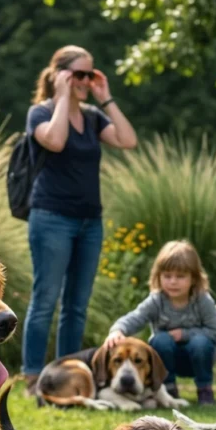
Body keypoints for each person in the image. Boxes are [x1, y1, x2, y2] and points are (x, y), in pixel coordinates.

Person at [22, 45, 138, 394]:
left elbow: (128, 140)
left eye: (91, 74)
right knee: (45, 300)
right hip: (51, 218)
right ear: (60, 74)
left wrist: (106, 98)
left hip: (90, 221)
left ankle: (66, 372)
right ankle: (33, 377)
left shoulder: (92, 116)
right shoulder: (40, 113)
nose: (86, 81)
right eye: (79, 75)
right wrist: (61, 96)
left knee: (76, 306)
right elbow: (55, 141)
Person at [105, 240, 216, 406]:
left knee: (200, 342)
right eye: (167, 276)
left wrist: (185, 334)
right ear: (158, 276)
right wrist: (118, 330)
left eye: (180, 276)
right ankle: (168, 389)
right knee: (160, 340)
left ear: (194, 278)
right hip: (166, 357)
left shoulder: (203, 300)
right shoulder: (156, 300)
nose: (173, 282)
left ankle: (205, 390)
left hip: (200, 357)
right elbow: (135, 317)